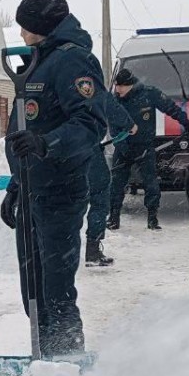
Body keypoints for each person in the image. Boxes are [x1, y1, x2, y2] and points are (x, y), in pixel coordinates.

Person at [0, 0, 106, 355]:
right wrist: (16, 184)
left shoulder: (73, 62)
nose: (22, 34)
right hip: (32, 190)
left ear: (42, 25)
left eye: (26, 26)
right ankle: (44, 356)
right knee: (32, 288)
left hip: (61, 192)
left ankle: (68, 362)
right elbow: (25, 129)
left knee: (56, 291)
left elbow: (91, 124)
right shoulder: (36, 62)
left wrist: (48, 144)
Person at [108, 67, 189, 230]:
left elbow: (171, 107)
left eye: (121, 86)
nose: (117, 90)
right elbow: (113, 126)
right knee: (117, 183)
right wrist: (121, 146)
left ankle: (152, 217)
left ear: (130, 85)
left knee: (151, 182)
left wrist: (185, 122)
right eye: (116, 86)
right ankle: (113, 217)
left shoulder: (149, 93)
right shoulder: (115, 100)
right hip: (123, 147)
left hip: (145, 146)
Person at [82, 86, 135, 266]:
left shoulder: (49, 75)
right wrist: (129, 125)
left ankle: (55, 252)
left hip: (53, 148)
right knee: (99, 195)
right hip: (86, 148)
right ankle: (92, 250)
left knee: (65, 200)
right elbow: (108, 103)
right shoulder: (85, 77)